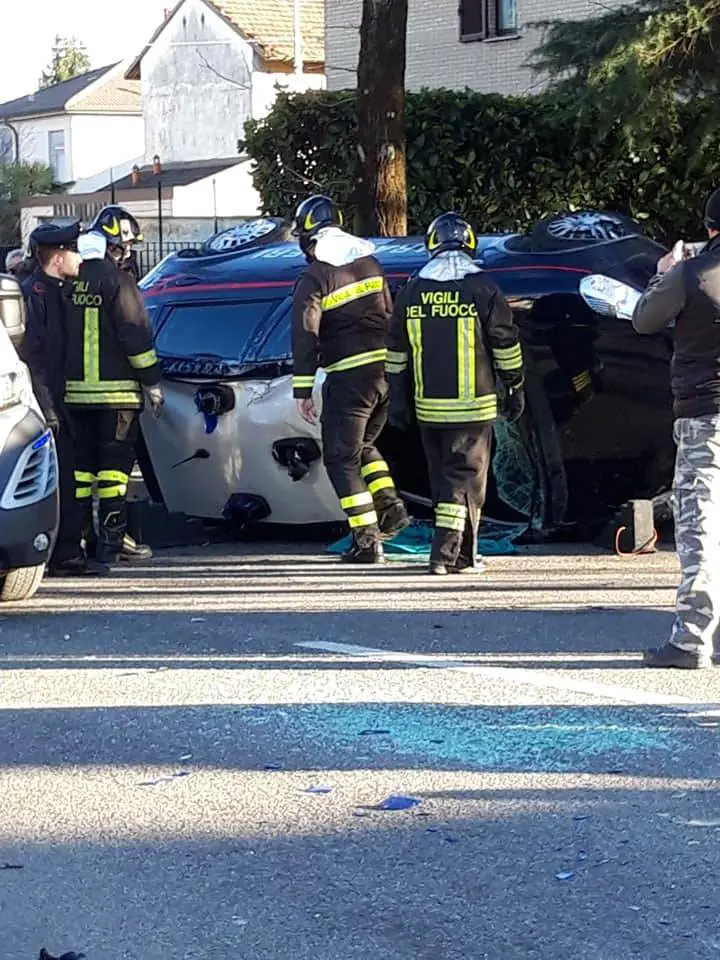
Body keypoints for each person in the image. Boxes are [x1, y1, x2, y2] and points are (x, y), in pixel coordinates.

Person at [386, 212, 525, 575]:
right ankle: (453, 557)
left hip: (428, 408)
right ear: (470, 243)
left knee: (444, 482)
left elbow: (396, 352)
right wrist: (514, 384)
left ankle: (451, 554)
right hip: (472, 408)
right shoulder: (483, 288)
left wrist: (398, 399)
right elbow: (505, 343)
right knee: (466, 482)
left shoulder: (413, 289)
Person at [291, 194, 410, 564]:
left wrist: (302, 387)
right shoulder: (371, 264)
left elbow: (305, 333)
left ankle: (366, 539)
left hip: (349, 379)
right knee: (363, 447)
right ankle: (390, 509)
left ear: (308, 239)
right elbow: (390, 314)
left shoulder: (316, 275)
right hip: (384, 375)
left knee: (341, 458)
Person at [632, 187, 720, 669]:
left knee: (701, 527)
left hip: (706, 414)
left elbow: (645, 320)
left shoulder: (692, 274)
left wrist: (663, 273)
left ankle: (691, 641)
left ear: (710, 228)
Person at [60, 226, 164, 567]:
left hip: (74, 398)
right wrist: (152, 383)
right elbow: (135, 336)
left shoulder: (67, 283)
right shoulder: (119, 283)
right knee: (115, 472)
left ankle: (76, 542)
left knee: (80, 472)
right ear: (113, 249)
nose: (128, 253)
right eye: (126, 246)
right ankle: (112, 542)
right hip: (117, 397)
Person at [21, 221, 107, 576]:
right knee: (63, 477)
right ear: (57, 257)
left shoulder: (61, 290)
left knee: (73, 474)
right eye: (73, 251)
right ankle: (64, 553)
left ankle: (71, 547)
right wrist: (47, 407)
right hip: (48, 402)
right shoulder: (35, 296)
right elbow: (34, 356)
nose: (79, 258)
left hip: (65, 400)